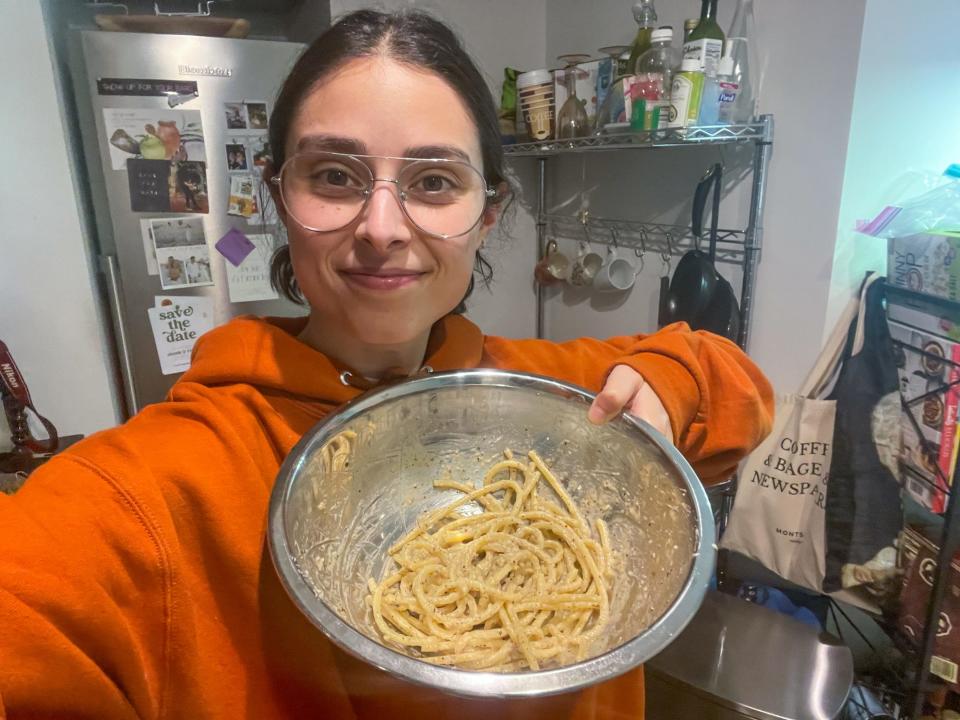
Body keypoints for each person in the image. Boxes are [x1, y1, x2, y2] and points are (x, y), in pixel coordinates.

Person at [0, 9, 773, 719]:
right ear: (277, 195)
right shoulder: (163, 485)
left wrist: (671, 382)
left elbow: (727, 376)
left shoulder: (549, 388)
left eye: (434, 182)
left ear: (488, 213)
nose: (380, 227)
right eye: (334, 175)